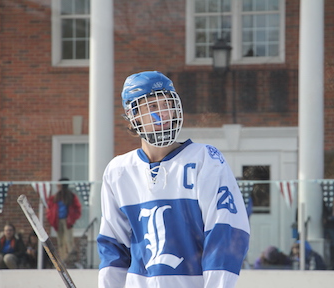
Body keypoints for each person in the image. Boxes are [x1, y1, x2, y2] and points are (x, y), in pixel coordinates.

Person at [97, 71, 250, 288]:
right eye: (152, 107)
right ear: (133, 116)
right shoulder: (118, 171)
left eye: (167, 104)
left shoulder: (205, 159)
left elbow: (226, 232)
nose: (163, 113)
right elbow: (113, 245)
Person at [46, 177, 82, 261]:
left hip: (68, 221)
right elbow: (49, 210)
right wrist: (51, 220)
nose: (57, 186)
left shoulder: (71, 196)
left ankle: (71, 260)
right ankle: (62, 259)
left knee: (69, 241)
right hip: (58, 221)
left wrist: (73, 219)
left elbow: (78, 208)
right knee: (60, 242)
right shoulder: (54, 197)